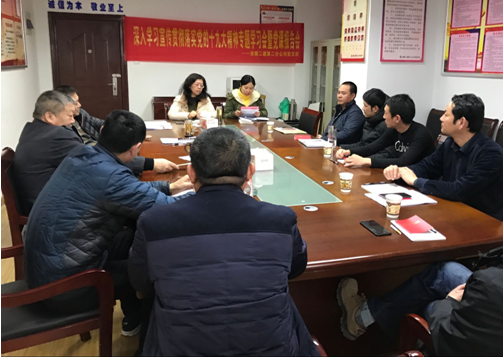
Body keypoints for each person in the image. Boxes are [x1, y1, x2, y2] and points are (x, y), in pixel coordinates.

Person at [129, 127, 318, 356]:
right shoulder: (281, 219)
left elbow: (140, 282)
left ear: (191, 173)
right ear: (250, 172)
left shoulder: (154, 222)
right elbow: (296, 267)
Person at [337, 157, 503, 356]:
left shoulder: (493, 286)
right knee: (445, 270)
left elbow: (451, 339)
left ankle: (368, 323)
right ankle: (367, 316)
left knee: (429, 302)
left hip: (487, 322)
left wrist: (448, 302)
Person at [23, 110, 193, 338]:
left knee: (133, 238)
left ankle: (133, 319)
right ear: (135, 148)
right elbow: (165, 210)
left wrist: (170, 187)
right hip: (64, 289)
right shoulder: (112, 178)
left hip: (45, 269)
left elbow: (127, 190)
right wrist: (205, 190)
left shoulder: (82, 153)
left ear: (102, 131)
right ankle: (147, 332)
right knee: (145, 269)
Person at [14, 90, 177, 215]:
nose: (72, 121)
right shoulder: (57, 136)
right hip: (52, 210)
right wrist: (152, 166)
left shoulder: (33, 129)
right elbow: (101, 163)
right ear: (49, 116)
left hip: (46, 200)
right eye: (70, 116)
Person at [383, 94, 503, 223]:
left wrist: (416, 181)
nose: (441, 118)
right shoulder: (450, 143)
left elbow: (459, 189)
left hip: (486, 222)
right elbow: (427, 167)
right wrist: (400, 172)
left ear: (461, 122)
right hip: (455, 212)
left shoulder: (490, 154)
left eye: (446, 115)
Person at [336, 94, 435, 169]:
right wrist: (348, 151)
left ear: (397, 118)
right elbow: (373, 147)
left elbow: (403, 162)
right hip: (400, 174)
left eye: (386, 114)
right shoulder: (393, 129)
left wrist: (366, 161)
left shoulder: (421, 134)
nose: (383, 117)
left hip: (421, 179)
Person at [340, 88, 393, 157]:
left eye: (365, 105)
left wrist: (344, 149)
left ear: (375, 109)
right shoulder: (370, 119)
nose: (363, 108)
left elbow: (367, 146)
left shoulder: (384, 125)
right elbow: (362, 143)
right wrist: (342, 148)